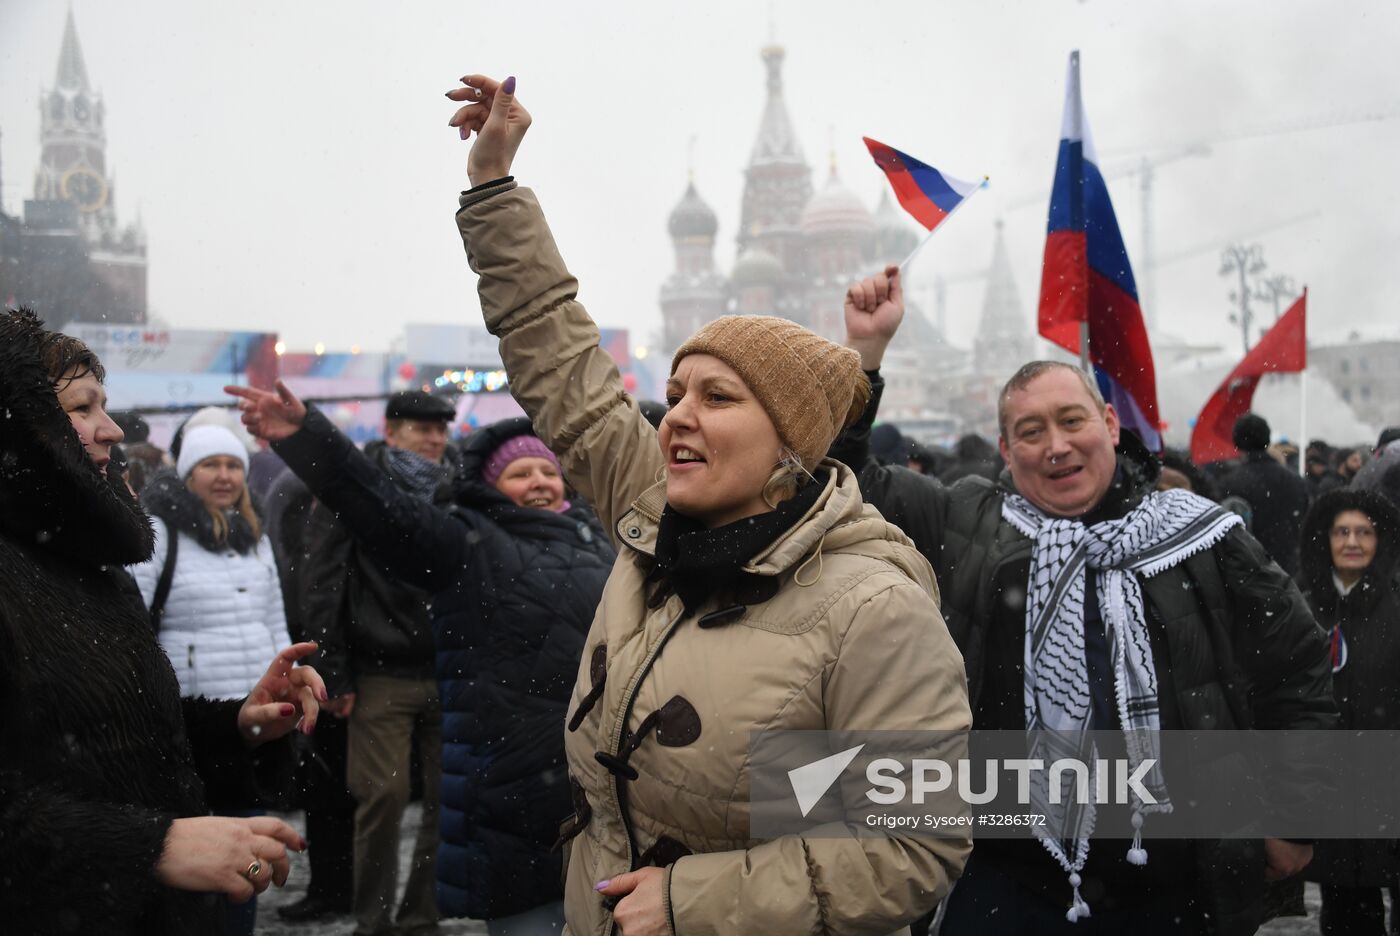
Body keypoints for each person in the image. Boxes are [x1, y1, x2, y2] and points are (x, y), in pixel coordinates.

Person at [416, 72, 971, 935]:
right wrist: (493, 186)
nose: (676, 415)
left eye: (718, 397)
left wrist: (690, 901)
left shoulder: (874, 607)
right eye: (676, 393)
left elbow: (911, 849)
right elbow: (561, 362)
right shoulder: (655, 519)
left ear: (790, 440)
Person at [829, 290, 1337, 932]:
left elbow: (1294, 671)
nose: (1057, 446)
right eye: (1031, 432)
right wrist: (866, 353)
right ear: (1007, 452)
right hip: (1007, 875)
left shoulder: (1202, 536)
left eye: (1072, 421)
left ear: (1109, 425)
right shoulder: (970, 522)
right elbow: (843, 480)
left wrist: (1294, 816)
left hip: (1177, 879)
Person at [227, 383, 619, 933]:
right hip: (511, 770)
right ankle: (377, 919)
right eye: (520, 473)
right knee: (397, 809)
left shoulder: (601, 539)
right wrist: (308, 435)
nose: (538, 481)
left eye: (547, 472)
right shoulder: (469, 540)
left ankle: (417, 918)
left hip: (588, 769)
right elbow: (378, 510)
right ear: (491, 488)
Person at [0, 308, 326, 934]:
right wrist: (154, 846)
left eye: (106, 406)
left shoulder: (90, 563)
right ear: (19, 425)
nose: (112, 430)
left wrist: (239, 724)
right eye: (82, 408)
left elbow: (122, 745)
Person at [298, 389, 456, 936]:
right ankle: (373, 919)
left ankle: (420, 916)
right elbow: (322, 580)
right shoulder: (357, 487)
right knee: (382, 798)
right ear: (391, 432)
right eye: (421, 428)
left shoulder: (458, 488)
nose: (434, 438)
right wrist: (334, 670)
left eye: (440, 429)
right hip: (380, 670)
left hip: (449, 669)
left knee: (447, 801)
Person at [1298, 489, 1400, 935]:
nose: (1353, 542)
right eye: (1342, 532)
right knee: (1345, 908)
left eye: (1364, 532)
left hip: (1389, 779)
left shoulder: (1396, 607)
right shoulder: (1300, 608)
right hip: (1331, 783)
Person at [1218, 413, 1311, 577]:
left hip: (1248, 573)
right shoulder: (1295, 481)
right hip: (1289, 571)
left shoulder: (1229, 483)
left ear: (1237, 443)